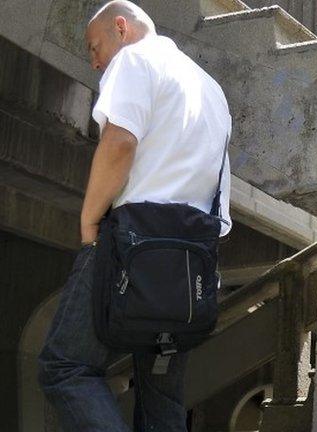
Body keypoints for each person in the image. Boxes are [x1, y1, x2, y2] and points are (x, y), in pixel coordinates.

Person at [37, 1, 232, 430]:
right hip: (190, 265)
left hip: (131, 247)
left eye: (95, 47)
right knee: (162, 395)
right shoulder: (210, 89)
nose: (94, 61)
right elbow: (219, 194)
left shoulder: (135, 59)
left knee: (64, 366)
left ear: (121, 29)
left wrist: (89, 221)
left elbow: (120, 142)